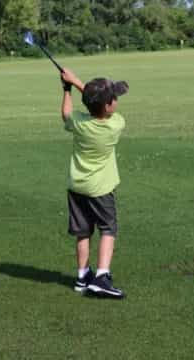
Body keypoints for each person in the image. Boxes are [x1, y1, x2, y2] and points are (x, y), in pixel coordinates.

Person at [60, 68, 128, 299]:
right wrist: (77, 82)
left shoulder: (79, 123)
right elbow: (94, 104)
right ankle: (101, 276)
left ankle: (82, 276)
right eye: (114, 98)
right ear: (108, 106)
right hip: (101, 188)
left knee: (83, 232)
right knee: (108, 229)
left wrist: (67, 87)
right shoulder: (115, 124)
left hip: (77, 186)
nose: (117, 101)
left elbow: (67, 113)